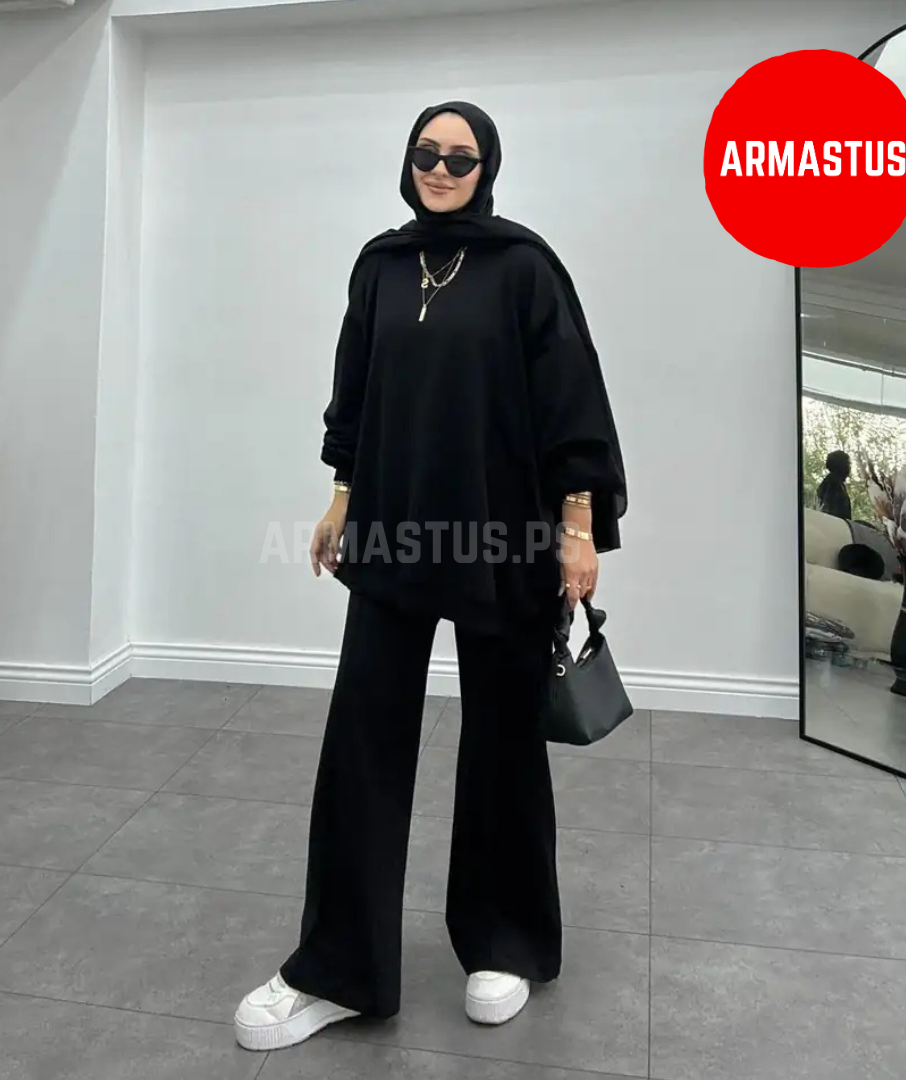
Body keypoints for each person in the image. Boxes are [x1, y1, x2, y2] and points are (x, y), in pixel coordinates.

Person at [234, 101, 628, 1052]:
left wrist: (578, 527)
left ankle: (505, 942)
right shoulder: (379, 265)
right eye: (427, 153)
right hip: (395, 525)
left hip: (505, 532)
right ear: (406, 160)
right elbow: (354, 393)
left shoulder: (524, 267)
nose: (441, 169)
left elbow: (570, 398)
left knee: (502, 739)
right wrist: (340, 498)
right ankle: (337, 969)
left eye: (461, 156)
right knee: (363, 739)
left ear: (488, 166)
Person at [817, 450, 852, 520]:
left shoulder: (837, 483)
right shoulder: (832, 484)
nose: (850, 467)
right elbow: (828, 510)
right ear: (841, 465)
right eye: (848, 463)